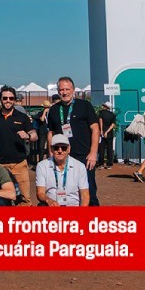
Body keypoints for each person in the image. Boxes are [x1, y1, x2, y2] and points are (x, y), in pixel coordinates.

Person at [47, 77, 100, 205]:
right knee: (64, 190)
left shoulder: (84, 105)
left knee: (89, 191)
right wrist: (51, 154)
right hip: (62, 156)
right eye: (61, 90)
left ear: (73, 90)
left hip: (84, 156)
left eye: (67, 89)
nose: (64, 92)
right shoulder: (54, 109)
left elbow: (95, 129)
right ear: (58, 91)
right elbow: (51, 133)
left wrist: (93, 153)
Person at [0, 85, 37, 205]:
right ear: (0, 99)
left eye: (11, 98)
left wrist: (28, 135)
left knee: (24, 199)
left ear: (14, 99)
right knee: (0, 199)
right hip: (0, 165)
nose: (8, 101)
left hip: (19, 164)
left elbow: (34, 135)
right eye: (5, 98)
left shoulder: (22, 117)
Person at [35, 134, 89, 206]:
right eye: (56, 148)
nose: (60, 151)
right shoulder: (42, 166)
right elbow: (40, 193)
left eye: (63, 148)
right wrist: (48, 200)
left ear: (69, 149)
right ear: (51, 149)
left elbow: (85, 195)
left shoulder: (80, 167)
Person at [97, 101, 117, 169]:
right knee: (109, 148)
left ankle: (101, 164)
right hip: (109, 134)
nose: (102, 106)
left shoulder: (101, 112)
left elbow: (100, 121)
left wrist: (102, 131)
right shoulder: (113, 115)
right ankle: (109, 164)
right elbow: (113, 125)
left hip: (102, 133)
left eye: (104, 105)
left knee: (101, 149)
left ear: (106, 107)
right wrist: (107, 132)